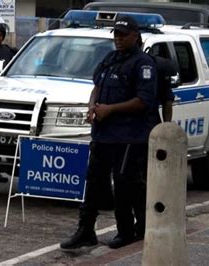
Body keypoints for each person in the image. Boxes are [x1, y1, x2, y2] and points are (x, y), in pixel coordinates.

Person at [60, 15, 158, 250]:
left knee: (125, 185)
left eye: (124, 35)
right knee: (93, 183)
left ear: (135, 36)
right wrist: (92, 106)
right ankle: (85, 230)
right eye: (116, 34)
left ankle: (127, 232)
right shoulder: (110, 59)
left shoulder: (143, 64)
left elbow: (143, 101)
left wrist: (110, 109)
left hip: (128, 136)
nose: (119, 39)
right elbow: (97, 86)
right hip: (103, 134)